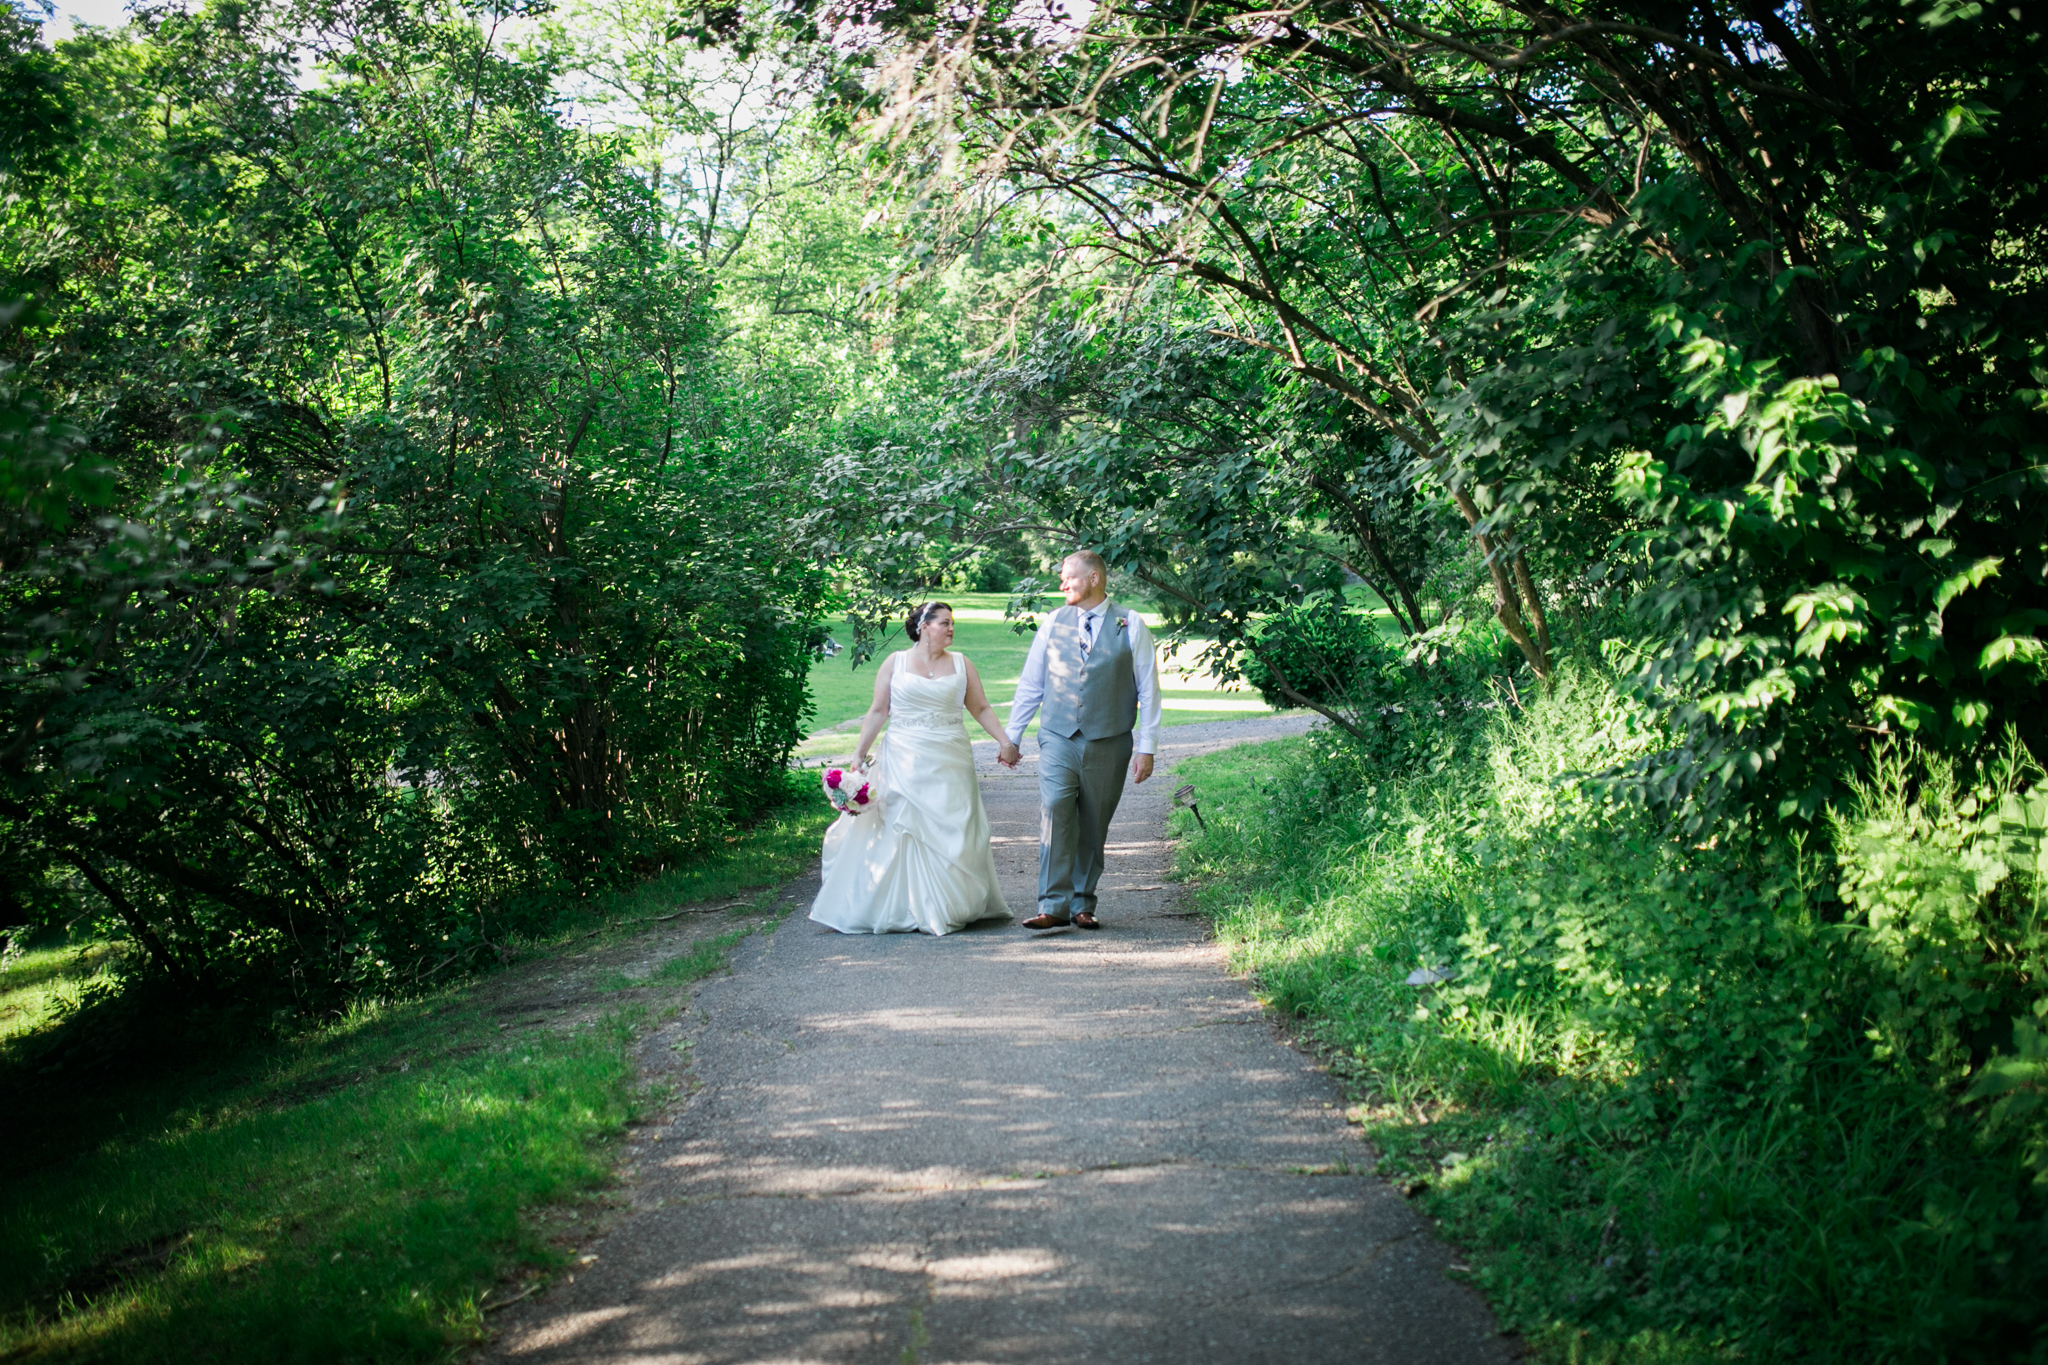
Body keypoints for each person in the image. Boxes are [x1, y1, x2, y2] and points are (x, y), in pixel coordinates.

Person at [809, 602, 1020, 936]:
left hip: (951, 758)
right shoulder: (896, 662)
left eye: (953, 623)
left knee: (957, 827)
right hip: (904, 758)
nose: (951, 629)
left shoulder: (962, 663)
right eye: (945, 623)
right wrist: (858, 757)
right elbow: (878, 710)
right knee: (902, 827)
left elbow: (980, 707)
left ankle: (951, 902)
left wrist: (1005, 742)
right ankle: (905, 905)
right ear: (924, 627)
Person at [999, 551, 1161, 930]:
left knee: (1094, 823)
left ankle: (1082, 904)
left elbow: (1149, 691)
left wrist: (1146, 747)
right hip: (1058, 736)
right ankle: (1052, 905)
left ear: (1093, 578)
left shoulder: (1131, 624)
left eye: (1068, 577)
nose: (1062, 584)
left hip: (1110, 739)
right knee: (1055, 807)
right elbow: (1031, 683)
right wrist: (1013, 736)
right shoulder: (1053, 622)